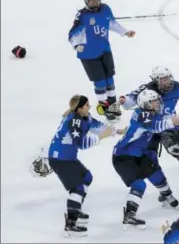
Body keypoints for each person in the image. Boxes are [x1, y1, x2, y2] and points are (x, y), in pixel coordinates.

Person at [118, 66, 179, 185]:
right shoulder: (147, 89)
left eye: (168, 78)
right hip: (151, 127)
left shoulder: (175, 86)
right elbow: (131, 99)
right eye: (163, 79)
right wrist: (124, 100)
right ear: (156, 80)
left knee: (176, 149)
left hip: (170, 123)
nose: (167, 81)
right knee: (150, 161)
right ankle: (165, 193)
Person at [44, 94, 125, 237]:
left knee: (87, 177)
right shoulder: (74, 120)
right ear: (80, 108)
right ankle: (70, 225)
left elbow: (100, 127)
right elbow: (81, 144)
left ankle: (75, 208)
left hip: (67, 157)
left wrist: (119, 131)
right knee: (78, 187)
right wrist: (102, 137)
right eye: (87, 105)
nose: (90, 106)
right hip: (60, 159)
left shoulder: (84, 117)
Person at [112, 89, 179, 229]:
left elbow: (162, 121)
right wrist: (176, 119)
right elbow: (156, 126)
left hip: (139, 153)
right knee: (139, 185)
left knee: (155, 172)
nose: (158, 103)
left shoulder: (151, 113)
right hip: (123, 157)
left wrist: (178, 122)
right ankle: (129, 215)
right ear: (146, 104)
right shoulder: (142, 115)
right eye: (154, 101)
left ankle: (166, 196)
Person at [68, 0, 136, 121]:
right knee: (100, 82)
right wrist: (76, 45)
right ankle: (105, 107)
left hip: (104, 49)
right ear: (86, 1)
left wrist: (126, 32)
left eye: (97, 0)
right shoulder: (82, 15)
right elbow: (73, 33)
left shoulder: (105, 9)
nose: (95, 3)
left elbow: (112, 23)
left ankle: (113, 106)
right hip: (88, 53)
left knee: (110, 79)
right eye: (92, 0)